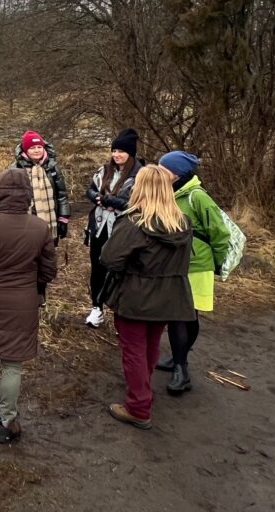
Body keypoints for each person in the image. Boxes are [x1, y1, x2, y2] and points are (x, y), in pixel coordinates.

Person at [0, 168, 57, 443]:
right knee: (13, 364)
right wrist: (30, 283)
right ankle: (6, 422)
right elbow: (48, 271)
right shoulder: (40, 227)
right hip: (24, 302)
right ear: (27, 196)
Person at [100, 165, 195, 430]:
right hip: (170, 297)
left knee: (133, 350)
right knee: (151, 345)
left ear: (139, 188)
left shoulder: (134, 223)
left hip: (137, 296)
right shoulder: (182, 223)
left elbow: (109, 259)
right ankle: (142, 388)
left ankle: (138, 407)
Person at [155, 151, 231, 395]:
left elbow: (220, 233)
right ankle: (179, 358)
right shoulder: (170, 193)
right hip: (175, 265)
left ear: (176, 173)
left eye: (162, 168)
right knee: (182, 316)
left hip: (197, 266)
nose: (158, 171)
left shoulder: (197, 197)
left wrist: (216, 264)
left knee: (184, 316)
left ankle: (181, 369)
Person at [84, 128, 143, 328]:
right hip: (99, 226)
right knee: (97, 267)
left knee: (121, 270)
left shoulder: (141, 175)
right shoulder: (104, 170)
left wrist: (113, 202)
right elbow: (90, 190)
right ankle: (96, 308)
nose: (117, 155)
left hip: (124, 228)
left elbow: (139, 204)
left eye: (122, 151)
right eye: (115, 150)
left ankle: (121, 315)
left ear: (131, 153)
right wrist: (98, 198)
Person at [13, 130, 70, 304]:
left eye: (39, 147)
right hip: (26, 221)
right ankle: (25, 289)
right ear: (25, 150)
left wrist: (63, 219)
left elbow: (61, 195)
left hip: (49, 222)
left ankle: (40, 291)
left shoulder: (52, 168)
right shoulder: (16, 169)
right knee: (25, 257)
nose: (37, 150)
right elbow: (10, 196)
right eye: (33, 147)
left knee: (45, 258)